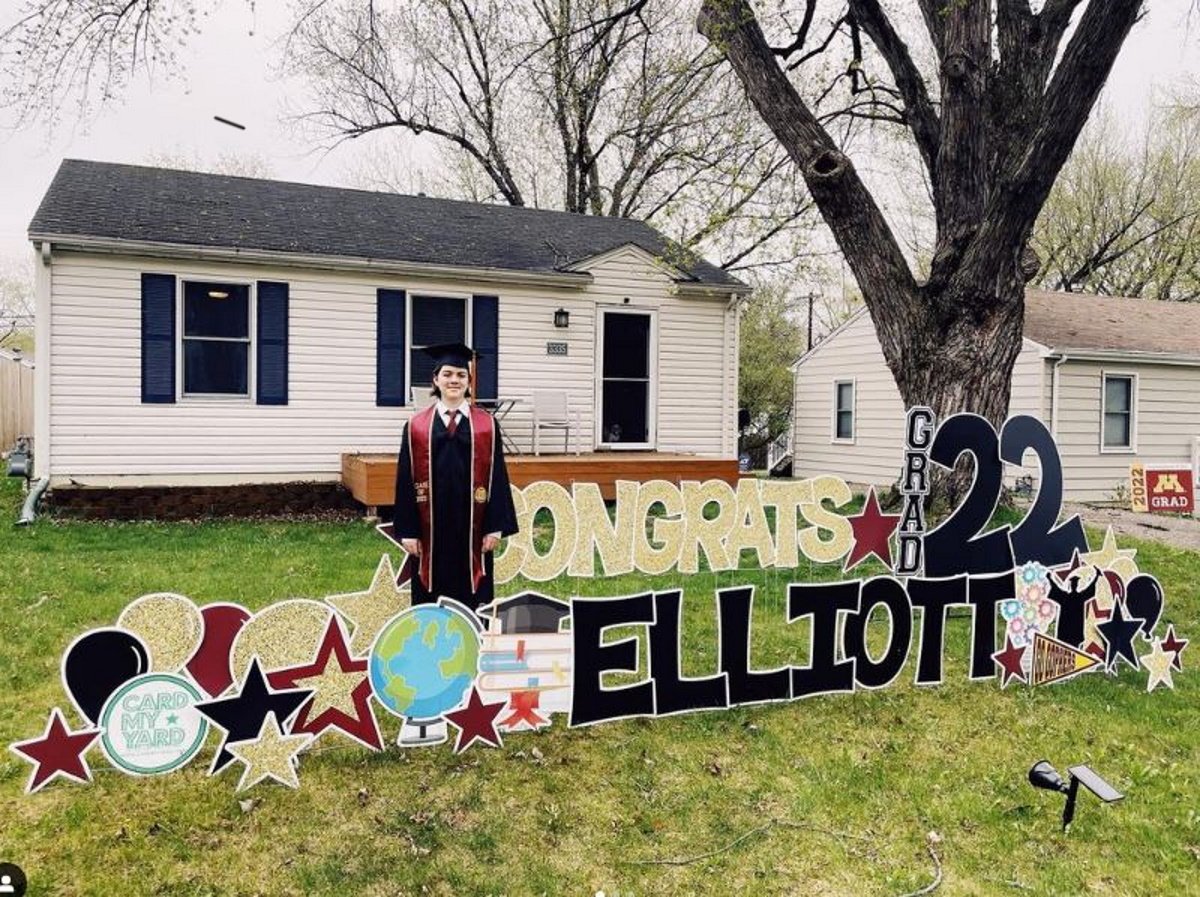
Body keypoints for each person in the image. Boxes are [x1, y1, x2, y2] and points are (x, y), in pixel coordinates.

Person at [392, 342, 519, 745]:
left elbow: (498, 476)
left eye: (461, 375)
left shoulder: (485, 425)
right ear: (435, 381)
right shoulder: (416, 427)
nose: (454, 381)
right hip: (430, 537)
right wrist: (407, 531)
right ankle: (428, 680)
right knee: (429, 607)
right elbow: (402, 481)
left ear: (469, 383)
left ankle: (471, 682)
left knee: (474, 602)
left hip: (472, 536)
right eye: (447, 375)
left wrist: (496, 525)